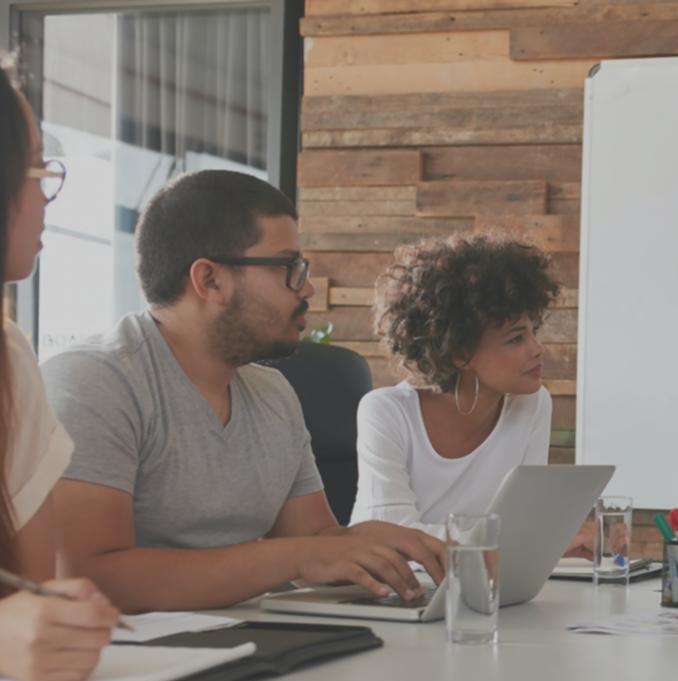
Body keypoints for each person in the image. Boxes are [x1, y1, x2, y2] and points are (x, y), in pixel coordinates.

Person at [43, 169, 445, 613]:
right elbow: (89, 578)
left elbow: (313, 540)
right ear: (210, 280)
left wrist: (378, 543)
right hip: (134, 663)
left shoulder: (273, 392)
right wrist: (299, 556)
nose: (308, 287)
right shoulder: (95, 381)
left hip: (253, 646)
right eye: (289, 268)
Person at [351, 231, 593, 555]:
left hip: (482, 588)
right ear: (459, 353)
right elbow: (394, 535)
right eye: (515, 339)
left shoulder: (532, 404)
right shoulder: (386, 411)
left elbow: (522, 526)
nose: (538, 350)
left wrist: (556, 541)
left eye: (533, 331)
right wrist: (529, 541)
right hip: (388, 591)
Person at [0, 59, 120, 681]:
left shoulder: (8, 358)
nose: (46, 198)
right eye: (36, 169)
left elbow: (33, 591)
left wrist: (56, 624)